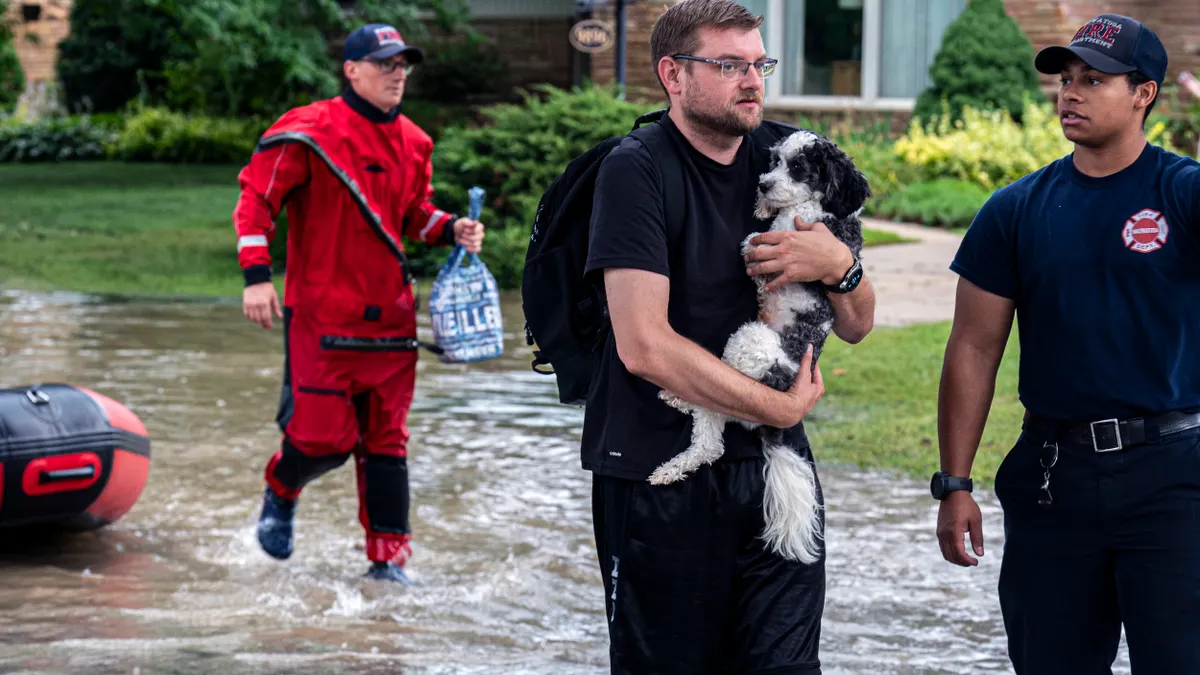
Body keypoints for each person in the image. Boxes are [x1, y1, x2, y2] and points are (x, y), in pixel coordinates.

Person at [583, 0, 875, 671]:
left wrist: (842, 266)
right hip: (659, 473)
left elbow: (857, 324)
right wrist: (776, 405)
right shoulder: (637, 169)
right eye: (729, 64)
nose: (753, 79)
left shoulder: (789, 157)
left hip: (772, 464)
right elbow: (643, 344)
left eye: (759, 63)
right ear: (673, 75)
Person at [934, 13, 1200, 673]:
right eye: (1065, 79)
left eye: (1094, 79)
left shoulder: (1185, 194)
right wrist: (955, 482)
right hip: (1055, 479)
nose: (1070, 93)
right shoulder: (1015, 209)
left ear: (1144, 94)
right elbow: (972, 348)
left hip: (1173, 478)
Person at [232, 22, 485, 583]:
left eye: (404, 64)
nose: (399, 73)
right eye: (385, 63)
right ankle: (282, 486)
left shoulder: (416, 142)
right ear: (352, 70)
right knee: (324, 439)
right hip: (321, 319)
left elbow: (412, 214)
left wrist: (451, 229)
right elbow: (255, 203)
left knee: (388, 444)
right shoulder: (306, 131)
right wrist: (255, 277)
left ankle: (388, 564)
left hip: (393, 323)